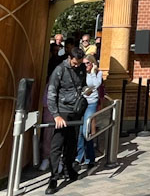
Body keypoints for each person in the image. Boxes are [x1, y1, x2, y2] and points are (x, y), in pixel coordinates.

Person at [46, 48, 86, 194]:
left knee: (72, 142)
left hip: (76, 110)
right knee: (57, 144)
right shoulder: (59, 70)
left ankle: (69, 169)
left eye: (79, 63)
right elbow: (51, 93)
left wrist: (87, 89)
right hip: (62, 111)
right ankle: (53, 177)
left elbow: (83, 83)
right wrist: (56, 115)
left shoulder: (81, 67)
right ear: (69, 58)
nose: (77, 66)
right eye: (75, 63)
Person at [76, 55, 102, 169]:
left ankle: (90, 158)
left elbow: (96, 85)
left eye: (88, 63)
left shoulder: (97, 73)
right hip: (82, 103)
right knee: (81, 131)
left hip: (91, 103)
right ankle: (79, 156)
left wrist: (92, 72)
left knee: (86, 131)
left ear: (92, 63)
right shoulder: (81, 72)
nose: (85, 65)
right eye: (84, 63)